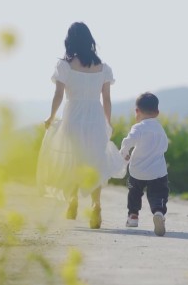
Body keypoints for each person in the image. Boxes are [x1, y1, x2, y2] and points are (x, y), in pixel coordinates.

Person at [36, 22, 124, 229]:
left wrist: (50, 117)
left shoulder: (64, 66)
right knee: (95, 162)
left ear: (70, 40)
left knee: (74, 161)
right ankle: (96, 204)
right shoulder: (103, 68)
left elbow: (58, 95)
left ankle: (73, 199)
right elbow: (107, 100)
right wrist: (108, 122)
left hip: (73, 117)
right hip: (95, 118)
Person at [119, 92, 169, 236]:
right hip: (157, 171)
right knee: (159, 192)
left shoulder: (138, 127)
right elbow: (165, 146)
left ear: (137, 111)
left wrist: (124, 152)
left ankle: (133, 216)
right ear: (157, 112)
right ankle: (158, 211)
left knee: (134, 192)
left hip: (137, 170)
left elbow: (128, 141)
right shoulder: (160, 129)